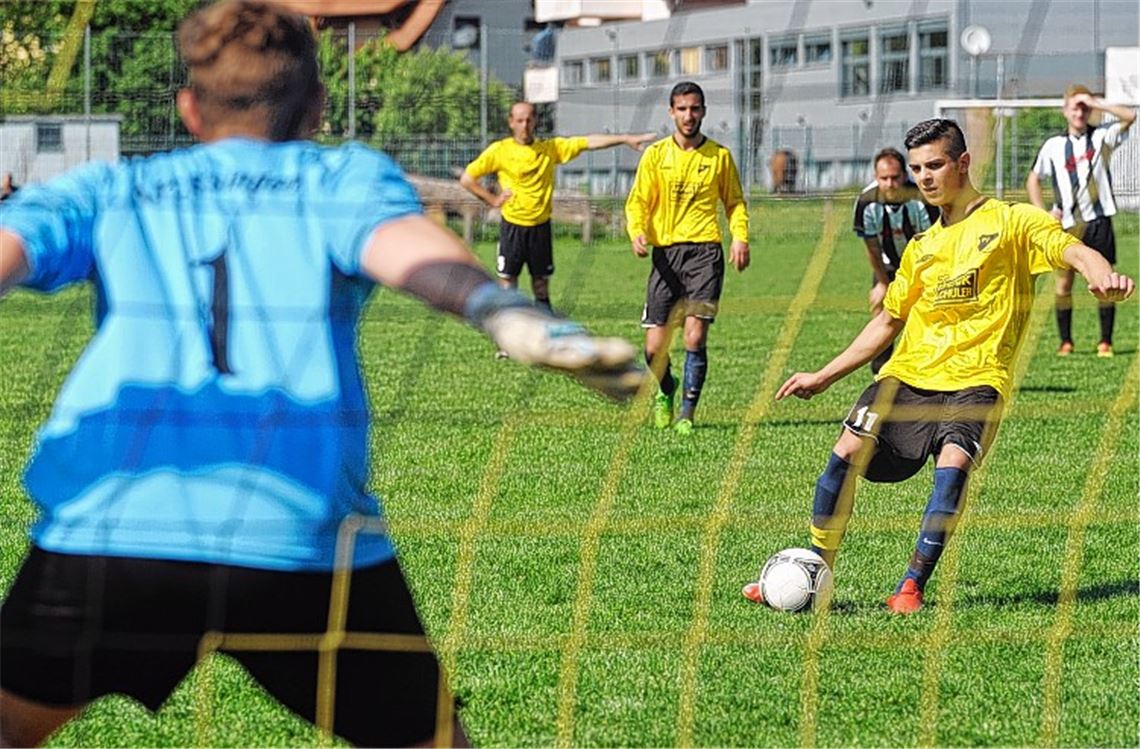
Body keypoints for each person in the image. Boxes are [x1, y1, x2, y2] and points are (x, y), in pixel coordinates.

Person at [0, 3, 643, 747]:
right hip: (297, 530)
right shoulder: (339, 178)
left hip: (112, 524)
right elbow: (406, 251)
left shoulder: (111, 189)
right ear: (315, 106)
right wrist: (501, 310)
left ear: (189, 108)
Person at [753, 118, 1133, 614]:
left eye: (935, 165)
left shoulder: (1011, 221)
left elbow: (1073, 249)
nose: (926, 177)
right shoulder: (921, 248)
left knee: (953, 466)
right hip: (907, 377)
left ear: (962, 163)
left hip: (977, 381)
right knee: (845, 450)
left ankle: (911, 585)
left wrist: (1099, 272)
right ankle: (812, 569)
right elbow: (887, 323)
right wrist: (823, 375)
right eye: (917, 169)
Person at [625, 81, 750, 435]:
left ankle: (687, 414)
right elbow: (638, 201)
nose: (689, 115)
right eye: (682, 109)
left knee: (695, 338)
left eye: (695, 108)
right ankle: (666, 388)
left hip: (705, 254)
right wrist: (636, 230)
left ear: (704, 111)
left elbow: (734, 202)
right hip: (665, 256)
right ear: (671, 112)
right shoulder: (656, 155)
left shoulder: (719, 157)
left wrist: (739, 236)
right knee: (653, 349)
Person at [460, 101, 654, 314]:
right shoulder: (500, 150)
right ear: (511, 122)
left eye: (528, 120)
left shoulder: (549, 149)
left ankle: (546, 333)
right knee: (508, 284)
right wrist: (493, 200)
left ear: (535, 121)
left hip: (540, 227)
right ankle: (506, 343)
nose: (524, 125)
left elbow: (587, 142)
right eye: (519, 120)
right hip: (512, 227)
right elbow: (468, 179)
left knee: (541, 286)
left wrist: (625, 139)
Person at [1026, 84, 1136, 358]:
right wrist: (1042, 212)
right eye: (1075, 106)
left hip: (1099, 221)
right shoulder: (1053, 145)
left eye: (1084, 107)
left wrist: (1095, 102)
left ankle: (1105, 342)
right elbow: (1033, 179)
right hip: (1067, 224)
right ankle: (1066, 342)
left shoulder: (1101, 137)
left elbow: (1129, 117)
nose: (1080, 112)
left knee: (1106, 280)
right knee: (1063, 284)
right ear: (1065, 110)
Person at [851, 147, 939, 373]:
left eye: (895, 177)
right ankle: (880, 371)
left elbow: (931, 242)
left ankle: (930, 367)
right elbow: (871, 246)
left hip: (923, 262)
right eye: (884, 178)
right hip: (887, 262)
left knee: (930, 311)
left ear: (905, 175)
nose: (890, 184)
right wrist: (882, 282)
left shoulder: (922, 198)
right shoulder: (866, 202)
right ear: (876, 177)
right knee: (881, 307)